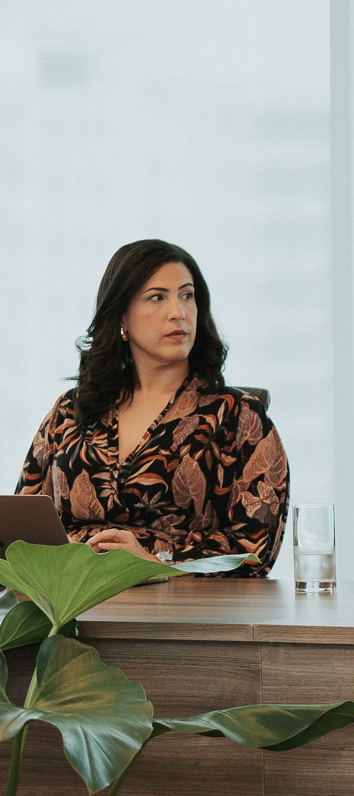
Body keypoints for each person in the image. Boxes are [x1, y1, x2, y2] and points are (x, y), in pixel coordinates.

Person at [16, 239, 288, 575]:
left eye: (187, 295)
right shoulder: (71, 411)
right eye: (157, 297)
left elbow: (255, 552)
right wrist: (64, 552)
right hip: (70, 595)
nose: (179, 312)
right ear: (121, 316)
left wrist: (153, 562)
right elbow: (20, 528)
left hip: (178, 603)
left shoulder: (240, 416)